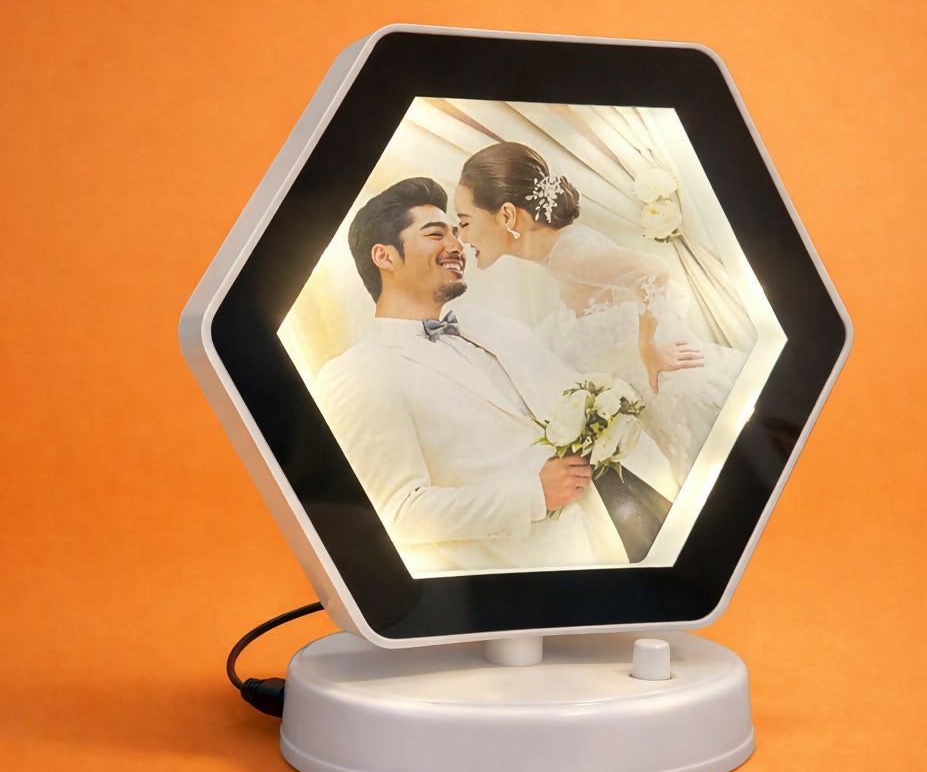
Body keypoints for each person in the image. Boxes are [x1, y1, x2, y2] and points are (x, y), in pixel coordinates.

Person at [314, 177, 676, 575]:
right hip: (554, 560)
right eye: (435, 234)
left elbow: (568, 390)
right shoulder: (357, 373)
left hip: (640, 497)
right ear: (384, 256)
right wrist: (533, 495)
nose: (456, 245)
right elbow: (398, 512)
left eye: (456, 232)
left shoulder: (486, 323)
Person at [455, 142, 747, 483]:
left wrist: (648, 347)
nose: (461, 237)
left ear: (507, 215)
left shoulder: (568, 255)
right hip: (662, 405)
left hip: (681, 396)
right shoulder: (557, 254)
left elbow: (654, 272)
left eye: (464, 222)